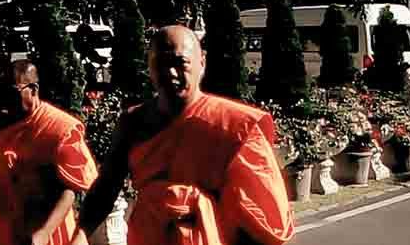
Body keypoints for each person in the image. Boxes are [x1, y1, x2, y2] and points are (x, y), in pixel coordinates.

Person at [73, 25, 294, 245]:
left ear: (202, 63)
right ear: (149, 68)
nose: (170, 72)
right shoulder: (133, 123)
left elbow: (262, 216)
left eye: (180, 63)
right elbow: (105, 189)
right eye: (161, 63)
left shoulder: (234, 126)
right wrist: (80, 236)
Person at [0, 60, 98, 245]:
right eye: (1, 93)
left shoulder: (60, 129)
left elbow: (70, 190)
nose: (5, 101)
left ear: (34, 89)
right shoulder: (7, 125)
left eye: (12, 93)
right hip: (7, 232)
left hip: (47, 235)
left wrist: (43, 233)